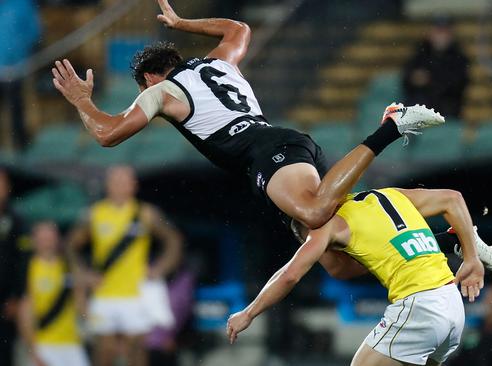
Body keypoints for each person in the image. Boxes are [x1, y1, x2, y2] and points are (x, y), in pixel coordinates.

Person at [51, 0, 446, 233]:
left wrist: (81, 100)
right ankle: (447, 234)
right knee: (336, 232)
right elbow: (237, 29)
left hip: (264, 153)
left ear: (150, 77)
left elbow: (107, 134)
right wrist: (181, 23)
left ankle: (390, 127)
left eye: (142, 88)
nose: (143, 97)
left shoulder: (160, 90)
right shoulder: (218, 63)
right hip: (280, 141)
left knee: (314, 213)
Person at [228, 188, 487, 365]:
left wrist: (248, 313)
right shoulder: (386, 195)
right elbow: (453, 198)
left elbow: (289, 275)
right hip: (453, 305)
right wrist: (471, 257)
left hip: (420, 307)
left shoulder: (327, 224)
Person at [66, 165, 182, 366]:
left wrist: (160, 268)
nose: (119, 186)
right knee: (104, 352)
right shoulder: (95, 214)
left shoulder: (146, 213)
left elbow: (174, 240)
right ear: (107, 186)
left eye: (124, 181)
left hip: (135, 294)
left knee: (135, 352)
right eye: (115, 181)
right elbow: (70, 245)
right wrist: (83, 273)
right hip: (103, 293)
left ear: (133, 186)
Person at [17, 221, 90, 366]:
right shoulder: (28, 269)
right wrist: (33, 352)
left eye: (50, 238)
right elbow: (25, 314)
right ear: (34, 241)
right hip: (44, 344)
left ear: (57, 240)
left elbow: (81, 305)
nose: (47, 243)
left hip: (72, 344)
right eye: (43, 239)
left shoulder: (69, 266)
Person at [401, 18, 469, 119]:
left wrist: (429, 80)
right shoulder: (421, 53)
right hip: (419, 105)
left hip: (447, 108)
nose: (441, 36)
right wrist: (414, 79)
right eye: (438, 32)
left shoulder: (458, 57)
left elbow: (457, 85)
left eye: (445, 32)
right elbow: (407, 79)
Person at [0, 0, 41, 148]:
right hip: (9, 64)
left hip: (14, 67)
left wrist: (19, 55)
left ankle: (20, 146)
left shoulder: (22, 5)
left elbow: (33, 33)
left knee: (16, 108)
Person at [0, 168, 27, 366]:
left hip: (6, 299)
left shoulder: (17, 221)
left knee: (5, 351)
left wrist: (17, 296)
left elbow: (22, 261)